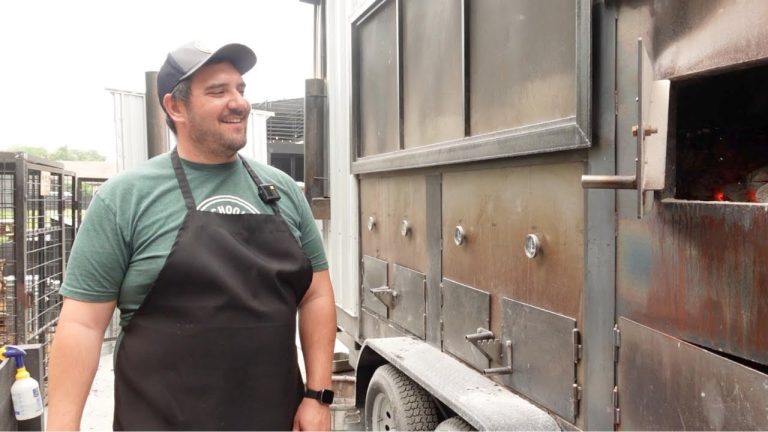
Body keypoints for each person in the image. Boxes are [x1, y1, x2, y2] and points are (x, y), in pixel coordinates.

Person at [47, 41, 337, 431]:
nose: (239, 102)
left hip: (273, 418)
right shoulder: (126, 198)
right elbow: (82, 324)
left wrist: (318, 396)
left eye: (240, 89)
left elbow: (316, 294)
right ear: (175, 107)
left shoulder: (281, 190)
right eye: (218, 91)